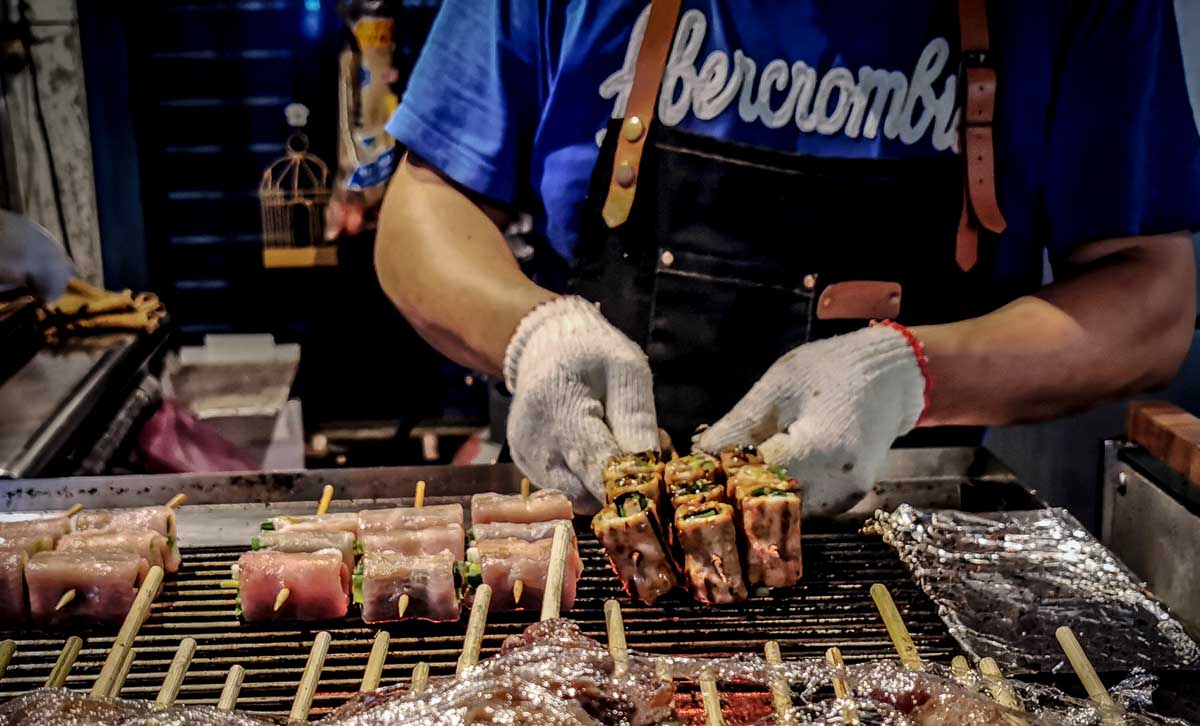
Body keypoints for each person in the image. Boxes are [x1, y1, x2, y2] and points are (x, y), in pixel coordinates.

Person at [372, 0, 1200, 512]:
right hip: (598, 535)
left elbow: (1151, 294)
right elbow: (423, 207)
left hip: (910, 542)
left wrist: (914, 372)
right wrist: (534, 337)